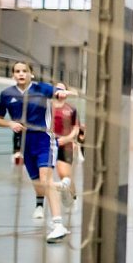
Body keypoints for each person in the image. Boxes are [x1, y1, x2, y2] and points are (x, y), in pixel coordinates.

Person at [0, 61, 72, 243]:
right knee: (39, 185)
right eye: (17, 71)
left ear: (31, 74)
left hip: (44, 139)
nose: (21, 74)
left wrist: (61, 92)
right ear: (13, 75)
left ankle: (58, 224)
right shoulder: (7, 94)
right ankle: (61, 186)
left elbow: (57, 92)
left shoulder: (41, 89)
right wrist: (10, 123)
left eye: (24, 71)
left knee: (46, 180)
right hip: (25, 143)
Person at [52, 82, 80, 211]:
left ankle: (73, 197)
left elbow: (76, 128)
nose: (60, 92)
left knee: (65, 175)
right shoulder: (49, 107)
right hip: (50, 143)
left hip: (66, 144)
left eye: (63, 89)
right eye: (58, 89)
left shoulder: (71, 109)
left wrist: (68, 139)